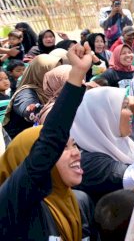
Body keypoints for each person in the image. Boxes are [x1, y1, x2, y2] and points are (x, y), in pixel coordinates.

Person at [0, 44, 91, 241]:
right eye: (63, 148)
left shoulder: (79, 201)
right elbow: (50, 139)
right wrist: (75, 79)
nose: (76, 153)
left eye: (73, 145)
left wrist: (78, 75)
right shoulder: (12, 204)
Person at [71, 87, 134, 203]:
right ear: (103, 116)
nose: (131, 113)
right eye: (124, 107)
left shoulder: (123, 141)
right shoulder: (89, 163)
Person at [3, 54, 62, 139]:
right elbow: (31, 112)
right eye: (54, 70)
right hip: (23, 144)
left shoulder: (52, 91)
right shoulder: (24, 93)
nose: (58, 74)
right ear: (41, 72)